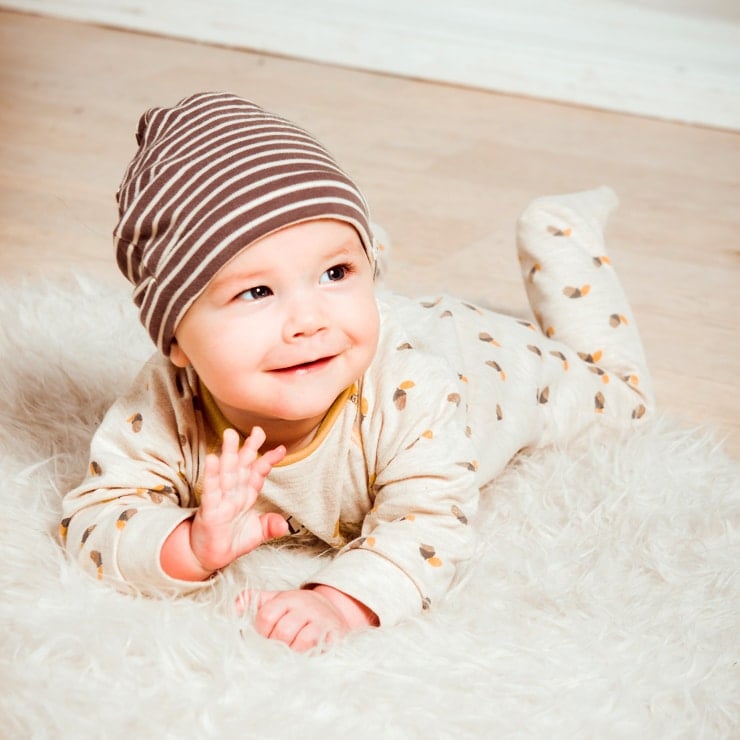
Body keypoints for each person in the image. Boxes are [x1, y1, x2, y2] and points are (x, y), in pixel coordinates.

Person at [61, 91, 653, 652]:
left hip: (481, 359)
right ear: (176, 341)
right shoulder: (166, 404)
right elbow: (94, 520)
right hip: (376, 329)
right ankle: (360, 261)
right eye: (258, 291)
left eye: (336, 273)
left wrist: (340, 603)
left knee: (621, 395)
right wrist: (186, 543)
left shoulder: (415, 392)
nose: (308, 322)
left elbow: (428, 524)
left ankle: (559, 235)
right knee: (345, 310)